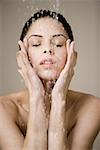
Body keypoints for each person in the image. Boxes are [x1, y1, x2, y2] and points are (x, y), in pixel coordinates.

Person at [0, 9, 100, 150]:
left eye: (58, 44)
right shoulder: (3, 109)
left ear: (73, 57)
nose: (48, 49)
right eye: (36, 43)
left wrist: (59, 98)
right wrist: (37, 97)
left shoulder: (92, 107)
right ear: (22, 58)